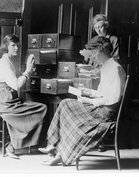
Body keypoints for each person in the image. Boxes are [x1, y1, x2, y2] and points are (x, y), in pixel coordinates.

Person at [38, 36, 126, 166]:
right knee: (65, 104)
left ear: (102, 51)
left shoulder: (115, 68)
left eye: (95, 52)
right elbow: (104, 93)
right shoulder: (106, 66)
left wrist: (90, 101)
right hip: (102, 108)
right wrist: (88, 92)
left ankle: (58, 150)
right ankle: (56, 147)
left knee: (66, 106)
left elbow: (114, 98)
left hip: (106, 113)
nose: (93, 56)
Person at [0, 34, 47, 159]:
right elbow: (16, 85)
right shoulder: (5, 63)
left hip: (7, 99)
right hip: (3, 102)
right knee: (41, 108)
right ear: (6, 46)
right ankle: (13, 145)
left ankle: (17, 144)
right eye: (13, 45)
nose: (16, 48)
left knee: (39, 107)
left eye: (18, 45)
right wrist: (27, 71)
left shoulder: (8, 61)